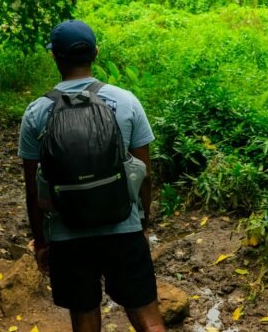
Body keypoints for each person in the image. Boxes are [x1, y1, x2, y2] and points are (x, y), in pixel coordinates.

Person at [18, 19, 165, 332]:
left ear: (55, 56)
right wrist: (141, 224)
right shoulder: (127, 102)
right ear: (96, 53)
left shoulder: (37, 112)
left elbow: (33, 188)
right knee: (149, 321)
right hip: (122, 227)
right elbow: (145, 176)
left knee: (84, 322)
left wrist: (41, 242)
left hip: (66, 233)